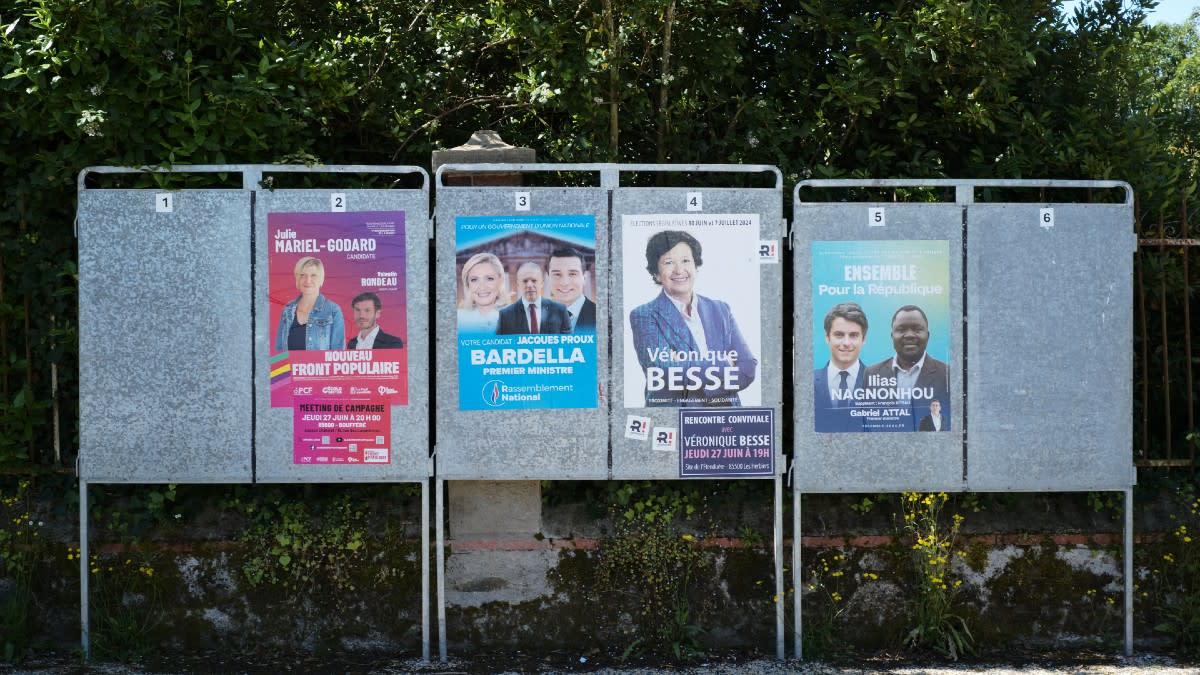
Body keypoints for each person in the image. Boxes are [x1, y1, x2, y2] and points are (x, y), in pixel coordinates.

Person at [628, 230, 757, 407]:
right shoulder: (644, 315)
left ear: (696, 266)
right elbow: (665, 371)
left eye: (686, 261)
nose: (679, 270)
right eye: (668, 262)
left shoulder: (720, 309)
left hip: (726, 416)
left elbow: (748, 368)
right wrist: (726, 362)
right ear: (656, 273)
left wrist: (687, 365)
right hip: (674, 419)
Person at [863, 305, 950, 431]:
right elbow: (866, 424)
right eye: (901, 329)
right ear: (892, 336)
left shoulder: (947, 375)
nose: (909, 335)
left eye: (917, 329)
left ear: (928, 335)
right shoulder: (871, 373)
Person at [813, 302, 868, 432]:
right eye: (839, 335)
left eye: (853, 335)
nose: (846, 343)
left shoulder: (879, 382)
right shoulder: (808, 381)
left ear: (863, 339)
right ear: (827, 338)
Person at [275, 256, 345, 351]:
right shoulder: (287, 309)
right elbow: (279, 352)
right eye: (303, 275)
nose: (308, 280)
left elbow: (338, 354)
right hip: (290, 366)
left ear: (321, 279)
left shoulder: (333, 310)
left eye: (313, 275)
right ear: (297, 279)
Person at [497, 262, 571, 334]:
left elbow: (568, 344)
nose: (529, 285)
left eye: (534, 280)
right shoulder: (505, 315)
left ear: (541, 283)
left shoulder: (560, 310)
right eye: (525, 281)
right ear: (518, 285)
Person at [547, 246, 596, 331]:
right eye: (557, 274)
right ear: (548, 278)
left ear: (584, 278)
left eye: (572, 274)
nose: (564, 283)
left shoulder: (602, 316)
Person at [457, 252, 508, 334]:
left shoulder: (516, 317)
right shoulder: (457, 319)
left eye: (489, 278)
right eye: (474, 280)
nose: (482, 287)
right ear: (468, 285)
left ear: (500, 281)